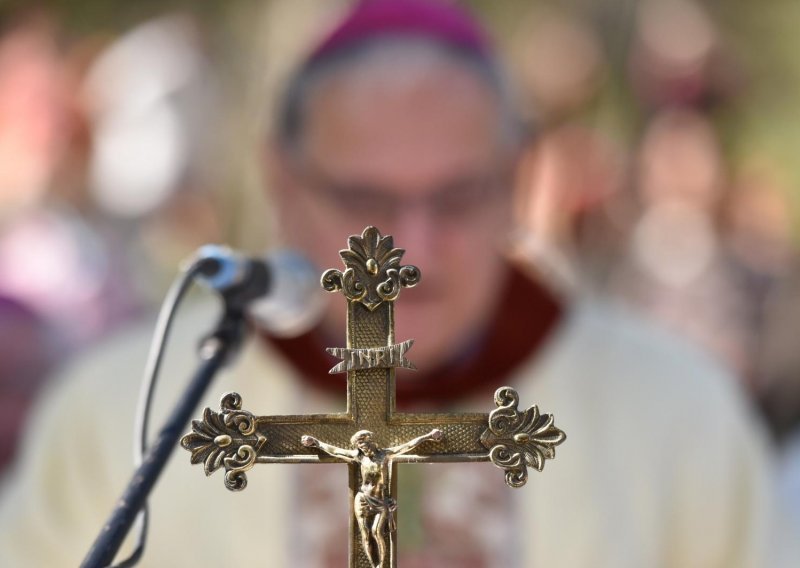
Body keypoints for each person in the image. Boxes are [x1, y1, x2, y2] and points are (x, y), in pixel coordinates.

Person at [0, 1, 797, 566]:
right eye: (365, 199)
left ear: (517, 181)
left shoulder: (674, 411)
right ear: (282, 180)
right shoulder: (126, 412)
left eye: (458, 195)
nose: (411, 246)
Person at [302, 429, 443, 567]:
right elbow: (335, 451)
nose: (364, 449)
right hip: (363, 499)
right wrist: (316, 443)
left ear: (372, 443)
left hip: (380, 502)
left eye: (366, 445)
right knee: (366, 535)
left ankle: (380, 565)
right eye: (360, 447)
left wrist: (428, 436)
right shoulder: (360, 457)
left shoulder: (385, 455)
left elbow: (408, 446)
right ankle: (373, 564)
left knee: (377, 532)